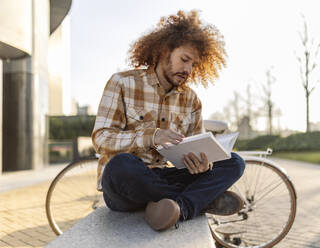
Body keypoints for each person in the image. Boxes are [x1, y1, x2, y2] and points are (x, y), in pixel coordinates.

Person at [92, 10, 246, 231]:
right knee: (120, 165)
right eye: (184, 60)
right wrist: (151, 136)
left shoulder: (191, 100)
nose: (188, 70)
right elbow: (101, 138)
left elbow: (197, 145)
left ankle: (177, 208)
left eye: (193, 65)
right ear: (164, 51)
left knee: (235, 162)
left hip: (165, 176)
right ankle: (199, 202)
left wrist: (203, 164)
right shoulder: (122, 83)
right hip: (127, 183)